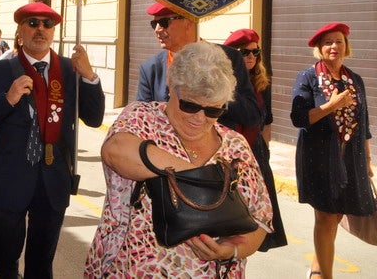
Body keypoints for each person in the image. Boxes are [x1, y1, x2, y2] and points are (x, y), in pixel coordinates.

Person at [85, 41, 272, 277]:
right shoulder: (142, 118)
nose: (200, 118)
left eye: (213, 110)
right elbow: (116, 152)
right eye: (190, 105)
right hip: (132, 270)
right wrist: (207, 181)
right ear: (173, 86)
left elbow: (260, 219)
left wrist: (231, 251)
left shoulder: (235, 146)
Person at [0, 2, 105, 278]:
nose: (40, 29)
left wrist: (90, 76)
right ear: (20, 31)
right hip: (11, 178)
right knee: (2, 252)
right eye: (32, 23)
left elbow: (94, 119)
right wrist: (7, 99)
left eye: (47, 24)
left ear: (53, 32)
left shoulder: (71, 70)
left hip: (53, 178)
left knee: (42, 261)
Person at [290, 22, 375, 278]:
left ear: (345, 45)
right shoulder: (308, 77)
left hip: (351, 157)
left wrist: (368, 160)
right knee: (326, 218)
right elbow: (298, 118)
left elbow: (365, 122)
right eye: (327, 42)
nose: (333, 46)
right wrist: (331, 105)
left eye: (338, 41)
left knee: (336, 215)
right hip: (319, 159)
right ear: (319, 48)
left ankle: (317, 266)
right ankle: (323, 275)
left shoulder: (355, 79)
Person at [136, 2, 261, 134]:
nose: (157, 30)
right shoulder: (151, 68)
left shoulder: (229, 58)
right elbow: (142, 118)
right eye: (154, 24)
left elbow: (252, 117)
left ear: (189, 21)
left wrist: (218, 90)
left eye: (164, 22)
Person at [223, 28, 287, 251]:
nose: (251, 57)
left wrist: (265, 151)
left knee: (256, 217)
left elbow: (266, 120)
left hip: (256, 154)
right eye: (244, 52)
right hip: (228, 155)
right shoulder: (222, 82)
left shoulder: (262, 83)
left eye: (255, 52)